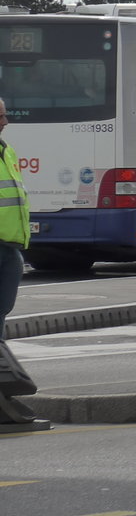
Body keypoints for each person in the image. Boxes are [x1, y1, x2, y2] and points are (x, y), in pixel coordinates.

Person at [0, 97, 31, 340]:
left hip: (10, 246)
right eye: (0, 116)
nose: (6, 121)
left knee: (3, 308)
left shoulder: (7, 151)